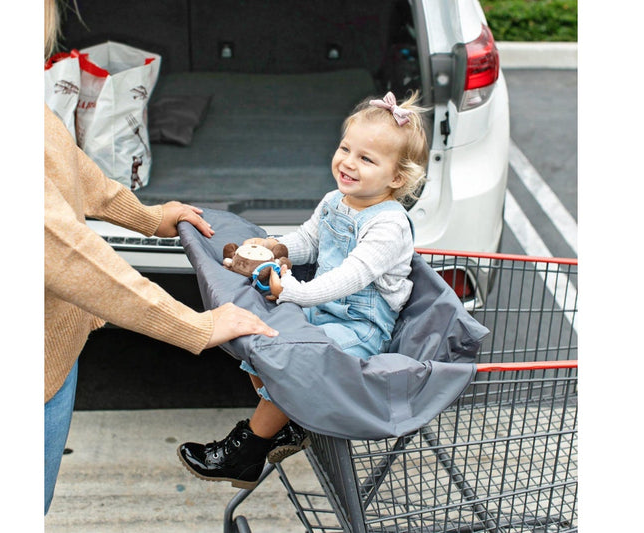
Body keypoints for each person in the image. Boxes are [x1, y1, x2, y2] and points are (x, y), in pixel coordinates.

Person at [44, 0, 278, 514]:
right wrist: (194, 326)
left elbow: (68, 166)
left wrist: (148, 217)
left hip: (53, 352)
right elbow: (70, 255)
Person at [177, 90, 429, 489]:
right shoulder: (335, 201)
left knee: (291, 360)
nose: (348, 162)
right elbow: (309, 240)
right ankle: (293, 419)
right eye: (345, 149)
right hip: (322, 311)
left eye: (366, 159)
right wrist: (274, 247)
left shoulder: (388, 225)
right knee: (261, 345)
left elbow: (350, 277)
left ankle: (246, 452)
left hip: (359, 328)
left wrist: (291, 291)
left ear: (396, 178)